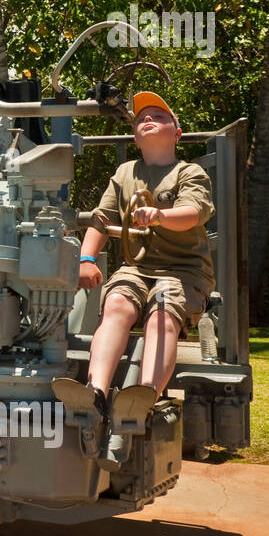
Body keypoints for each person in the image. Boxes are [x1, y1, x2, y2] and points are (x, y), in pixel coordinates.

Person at [54, 91, 216, 469]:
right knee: (116, 305)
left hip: (183, 273)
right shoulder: (125, 173)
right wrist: (87, 258)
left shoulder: (189, 173)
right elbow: (100, 220)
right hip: (136, 269)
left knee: (162, 311)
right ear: (136, 137)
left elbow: (192, 213)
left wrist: (158, 215)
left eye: (159, 115)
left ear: (176, 132)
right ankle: (94, 397)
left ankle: (140, 401)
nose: (148, 119)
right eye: (142, 117)